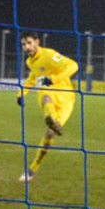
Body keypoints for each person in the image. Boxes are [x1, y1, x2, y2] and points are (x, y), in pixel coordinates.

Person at [17, 31, 78, 182]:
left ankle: (52, 122)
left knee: (50, 134)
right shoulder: (30, 62)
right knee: (44, 91)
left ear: (37, 42)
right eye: (24, 44)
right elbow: (34, 78)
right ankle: (49, 117)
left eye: (29, 43)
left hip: (66, 97)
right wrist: (21, 93)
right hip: (49, 92)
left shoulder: (49, 54)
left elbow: (73, 66)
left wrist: (54, 79)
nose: (27, 47)